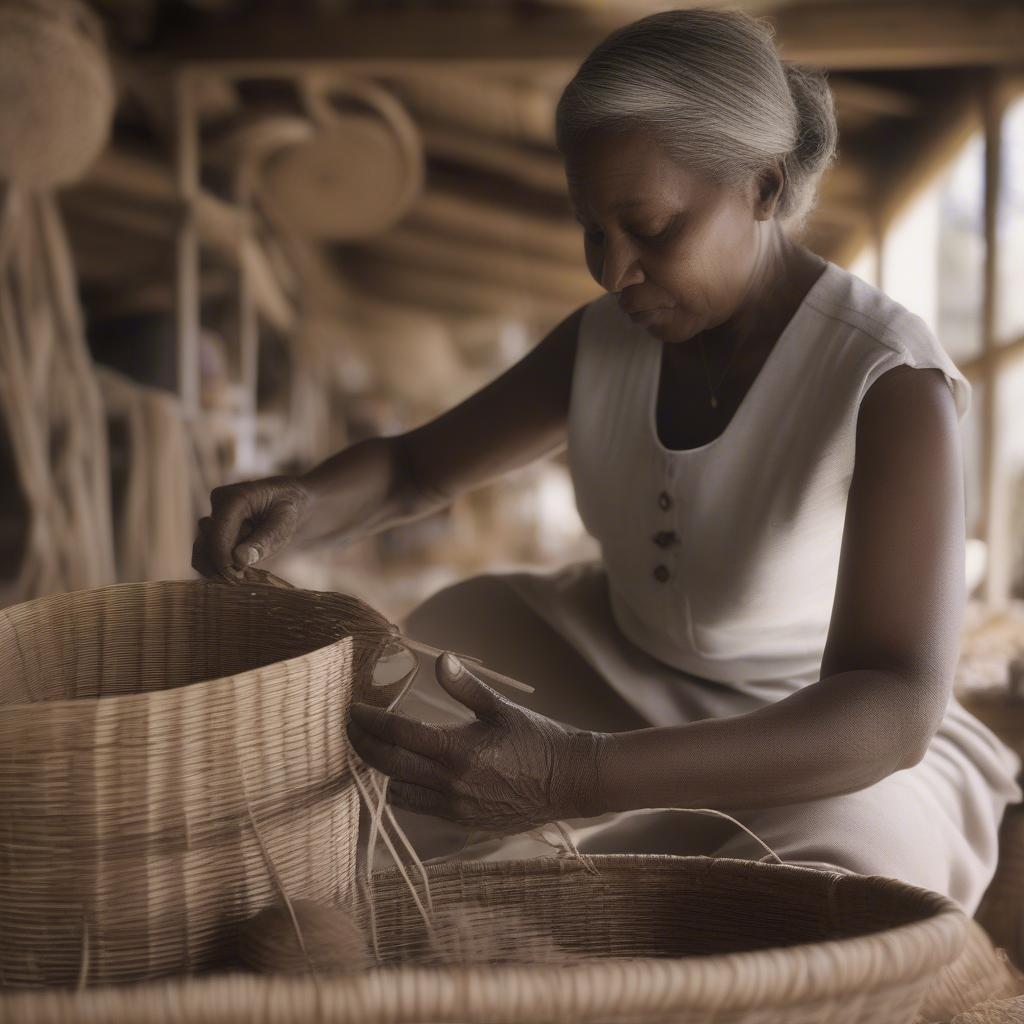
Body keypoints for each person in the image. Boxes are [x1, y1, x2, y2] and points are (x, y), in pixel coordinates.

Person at [192, 8, 1023, 916]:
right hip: (602, 664)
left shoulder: (889, 382)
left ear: (764, 188)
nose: (613, 271)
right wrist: (304, 503)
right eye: (593, 230)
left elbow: (895, 703)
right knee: (374, 752)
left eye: (652, 228)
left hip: (809, 734)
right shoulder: (606, 338)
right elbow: (412, 473)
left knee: (823, 900)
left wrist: (579, 776)